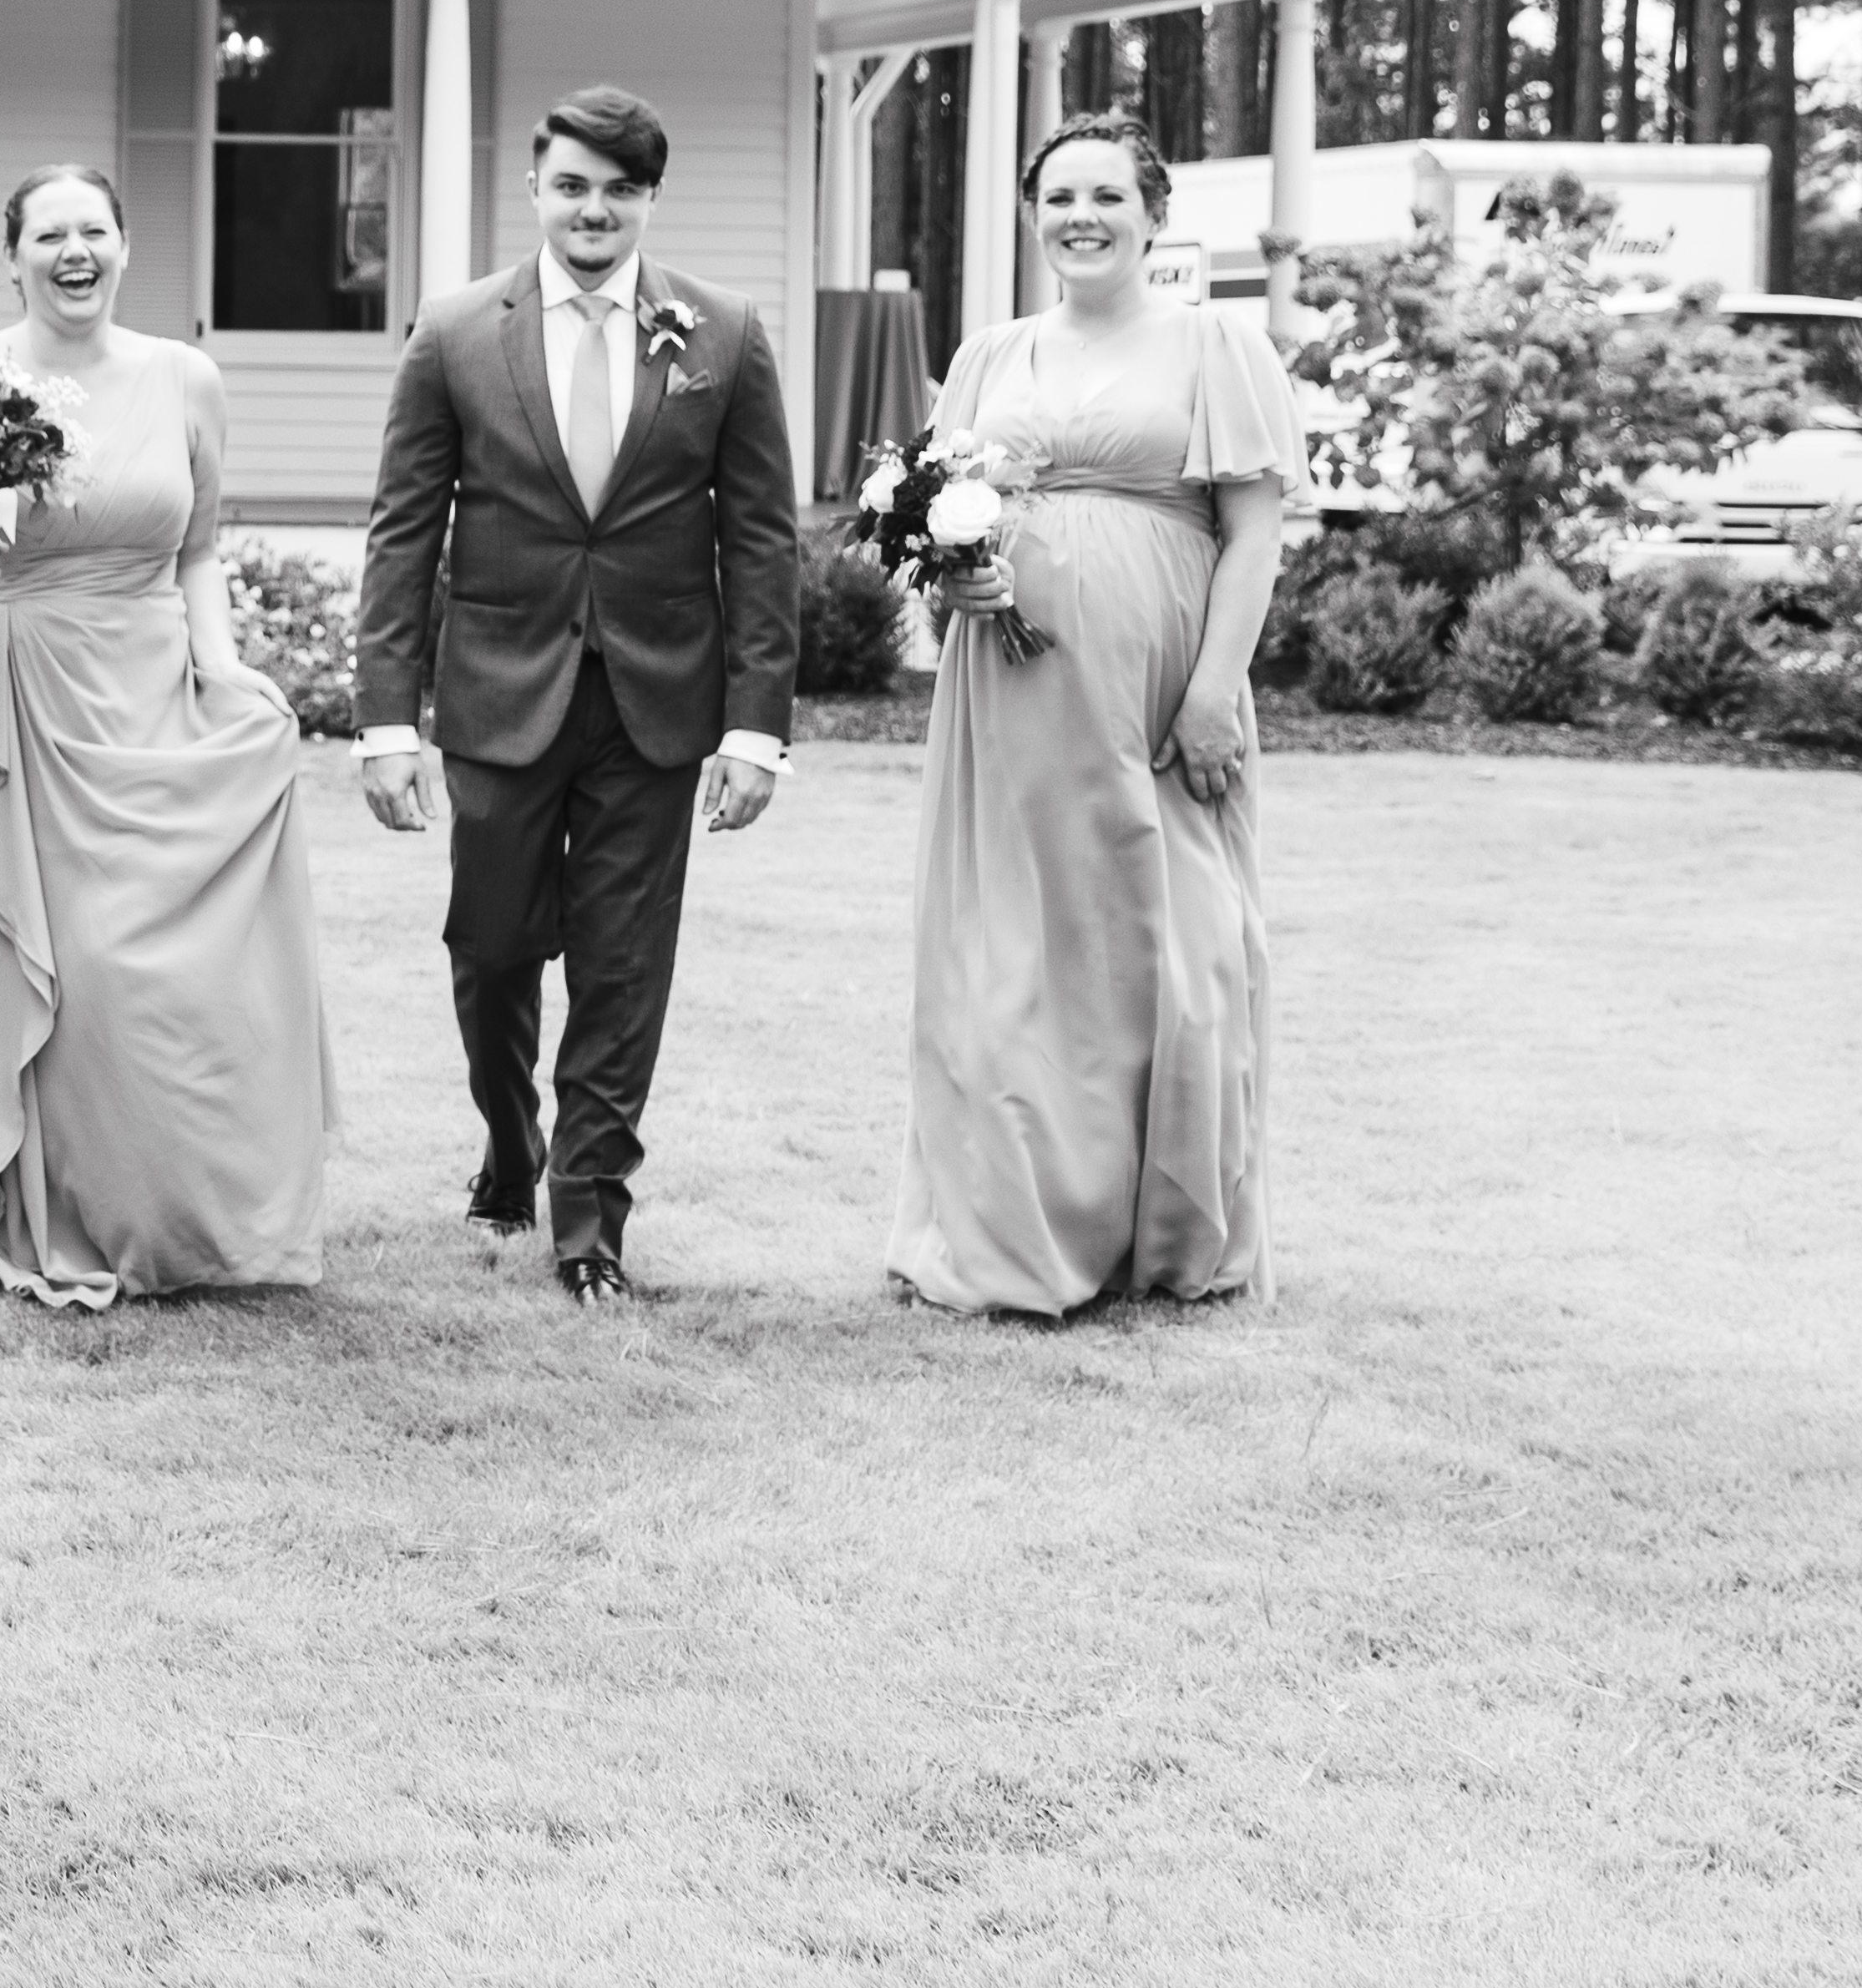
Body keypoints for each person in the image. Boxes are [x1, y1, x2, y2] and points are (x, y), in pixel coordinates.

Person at [348, 88, 802, 1303]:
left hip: (657, 702)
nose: (592, 210)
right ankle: (512, 1146)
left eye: (618, 190)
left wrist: (756, 728)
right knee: (492, 948)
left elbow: (762, 540)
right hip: (499, 695)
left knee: (622, 961)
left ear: (648, 198)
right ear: (535, 190)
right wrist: (385, 721)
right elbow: (403, 535)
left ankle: (589, 1217)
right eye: (571, 186)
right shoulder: (453, 332)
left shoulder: (724, 331)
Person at [0, 164, 337, 1308]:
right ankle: (42, 1202)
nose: (72, 251)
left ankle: (174, 1208)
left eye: (93, 230)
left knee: (162, 977)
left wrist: (222, 667)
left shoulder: (186, 380)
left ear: (125, 247)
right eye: (48, 235)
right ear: (13, 258)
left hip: (144, 690)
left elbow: (198, 551)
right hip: (8, 691)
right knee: (67, 964)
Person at [892, 115, 1298, 1315]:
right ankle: (1012, 1234)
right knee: (1014, 948)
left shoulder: (1218, 348)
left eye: (1108, 196)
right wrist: (954, 585)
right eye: (1059, 196)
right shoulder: (988, 356)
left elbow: (1254, 535)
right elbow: (934, 528)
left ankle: (1167, 1235)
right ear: (1032, 215)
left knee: (1176, 946)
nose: (1082, 216)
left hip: (1159, 688)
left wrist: (1214, 690)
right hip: (1010, 691)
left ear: (1153, 214)